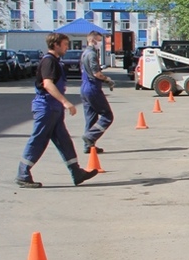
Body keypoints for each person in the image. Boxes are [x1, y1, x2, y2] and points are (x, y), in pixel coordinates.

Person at [16, 33, 99, 189]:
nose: (67, 47)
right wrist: (65, 102)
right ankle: (23, 174)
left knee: (64, 141)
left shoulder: (55, 61)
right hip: (46, 107)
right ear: (56, 45)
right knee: (38, 140)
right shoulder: (49, 61)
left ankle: (76, 172)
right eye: (65, 44)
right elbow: (47, 84)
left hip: (54, 108)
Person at [80, 31, 115, 153]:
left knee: (91, 118)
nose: (100, 43)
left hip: (84, 88)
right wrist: (107, 80)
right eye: (99, 40)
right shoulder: (92, 54)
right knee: (107, 116)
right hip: (92, 88)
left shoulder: (84, 53)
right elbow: (96, 73)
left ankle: (88, 146)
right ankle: (90, 137)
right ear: (92, 40)